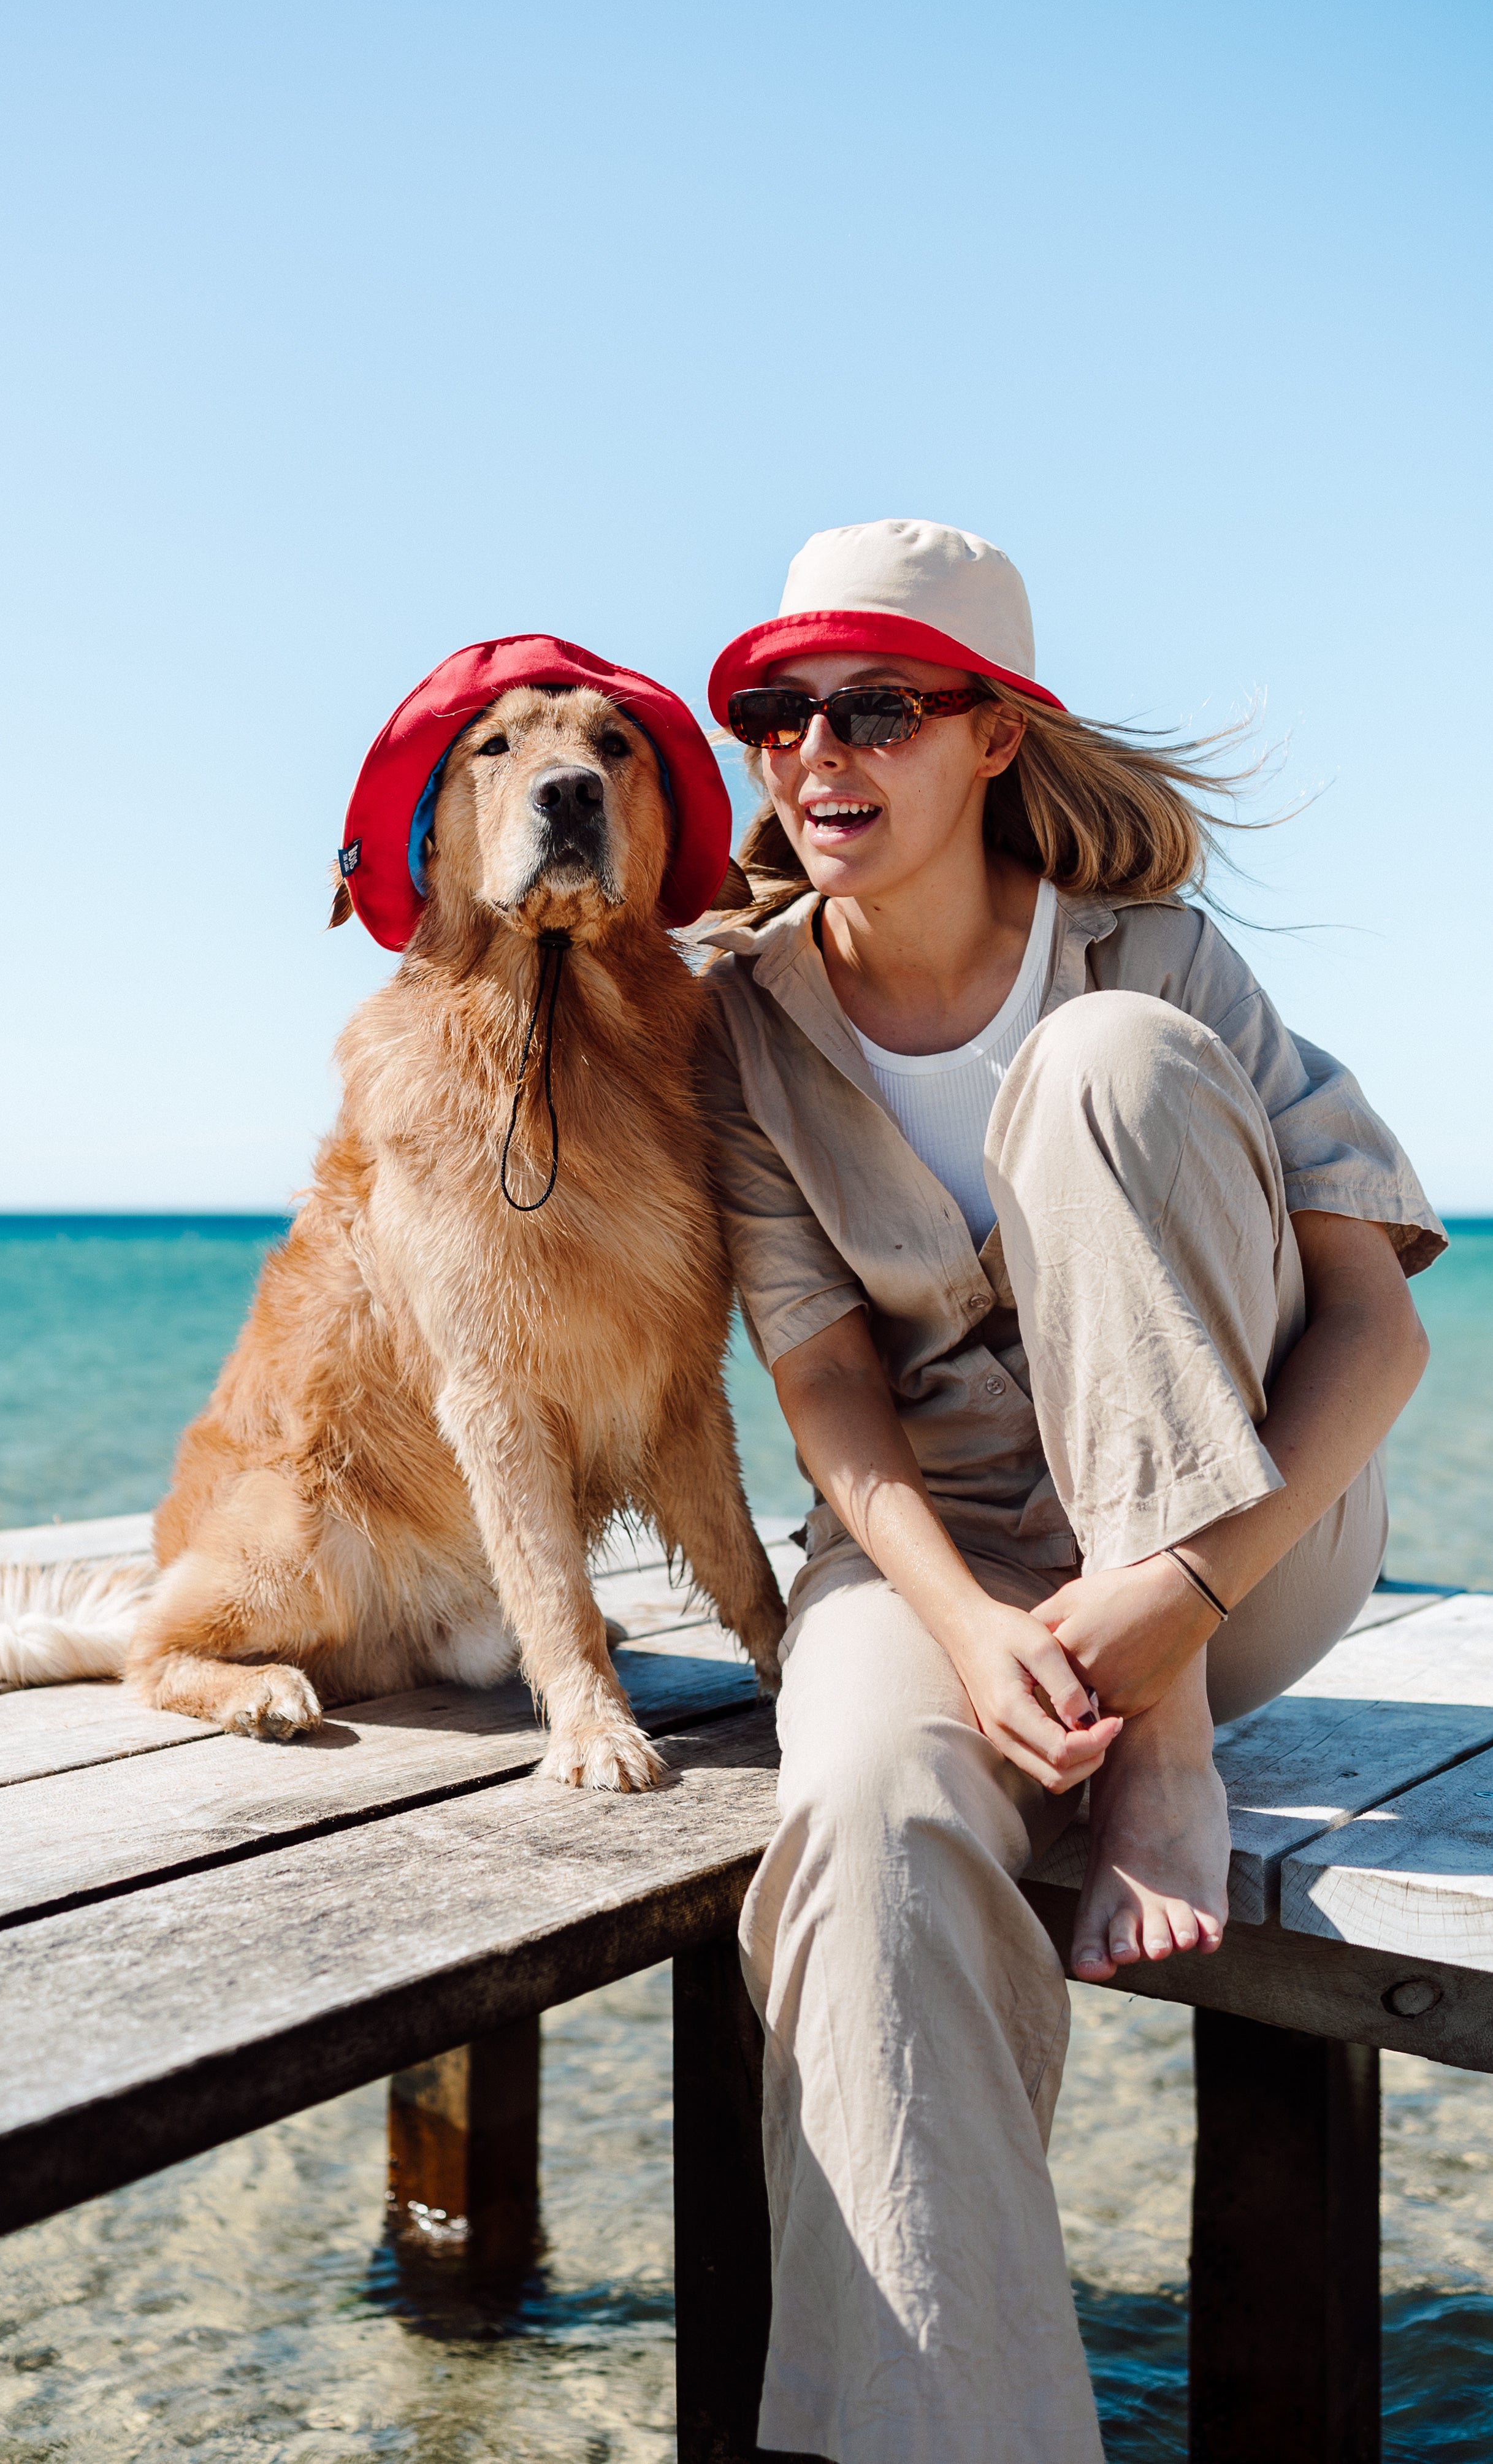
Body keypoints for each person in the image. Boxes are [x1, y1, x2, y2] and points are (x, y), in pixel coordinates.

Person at [693, 518, 1442, 2464]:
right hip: (944, 1557)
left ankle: (1158, 1758)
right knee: (864, 1817)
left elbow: (1374, 1330)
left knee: (1100, 1068)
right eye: (775, 711)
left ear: (992, 736)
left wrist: (1167, 1611)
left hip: (1247, 1539)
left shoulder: (1158, 959)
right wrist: (961, 1631)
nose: (815, 751)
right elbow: (824, 1388)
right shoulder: (743, 1022)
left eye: (876, 707)